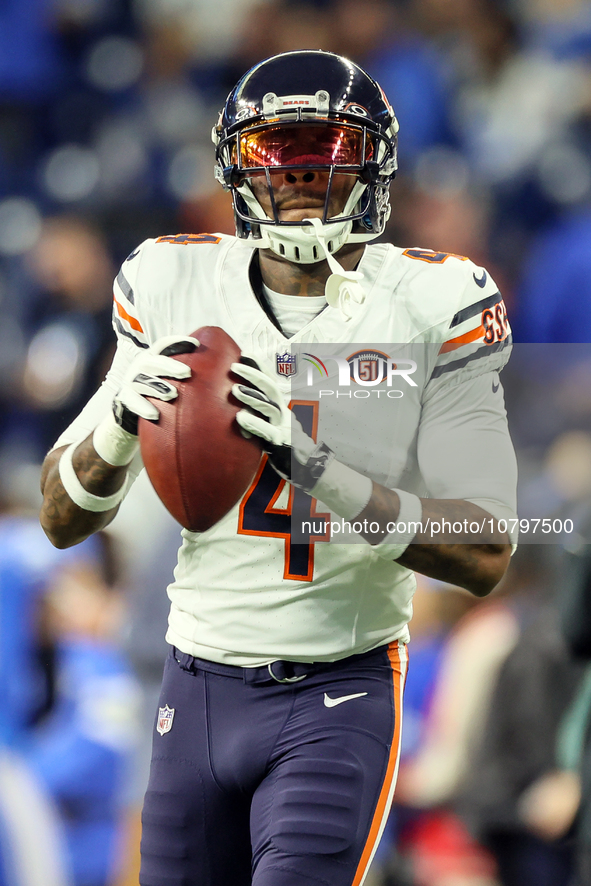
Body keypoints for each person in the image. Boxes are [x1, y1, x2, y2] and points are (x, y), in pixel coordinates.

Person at [39, 50, 518, 886]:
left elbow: (485, 549)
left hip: (340, 687)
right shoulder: (171, 281)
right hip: (193, 689)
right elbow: (60, 518)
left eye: (325, 151)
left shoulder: (434, 301)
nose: (300, 174)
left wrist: (314, 466)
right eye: (277, 153)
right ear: (234, 168)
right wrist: (117, 425)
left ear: (372, 167)